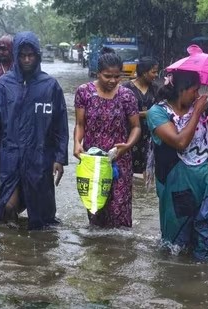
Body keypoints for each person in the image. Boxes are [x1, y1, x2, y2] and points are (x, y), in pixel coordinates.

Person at [0, 31, 69, 230]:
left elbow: (60, 126)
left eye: (31, 55)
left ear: (38, 56)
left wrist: (60, 158)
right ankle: (12, 256)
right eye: (22, 55)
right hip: (11, 156)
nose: (27, 60)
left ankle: (35, 256)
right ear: (16, 55)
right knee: (7, 208)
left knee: (42, 221)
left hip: (40, 158)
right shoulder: (4, 84)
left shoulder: (50, 86)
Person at [146, 70, 208, 260]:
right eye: (194, 91)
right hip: (176, 186)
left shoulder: (205, 111)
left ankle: (204, 282)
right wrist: (196, 112)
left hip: (207, 184)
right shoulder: (158, 113)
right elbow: (180, 142)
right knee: (175, 247)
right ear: (181, 89)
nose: (197, 95)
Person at [73, 48, 141, 228]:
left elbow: (136, 127)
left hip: (120, 159)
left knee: (119, 210)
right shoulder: (84, 92)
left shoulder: (127, 96)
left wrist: (127, 145)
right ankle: (98, 250)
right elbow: (80, 124)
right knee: (95, 209)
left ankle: (119, 250)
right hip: (92, 160)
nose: (112, 81)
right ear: (98, 73)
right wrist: (76, 144)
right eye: (107, 76)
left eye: (117, 77)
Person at [122, 56, 159, 176]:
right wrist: (144, 114)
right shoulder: (126, 88)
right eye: (153, 72)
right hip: (130, 135)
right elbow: (120, 113)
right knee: (127, 171)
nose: (156, 75)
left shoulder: (155, 89)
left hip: (150, 136)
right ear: (144, 72)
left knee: (148, 172)